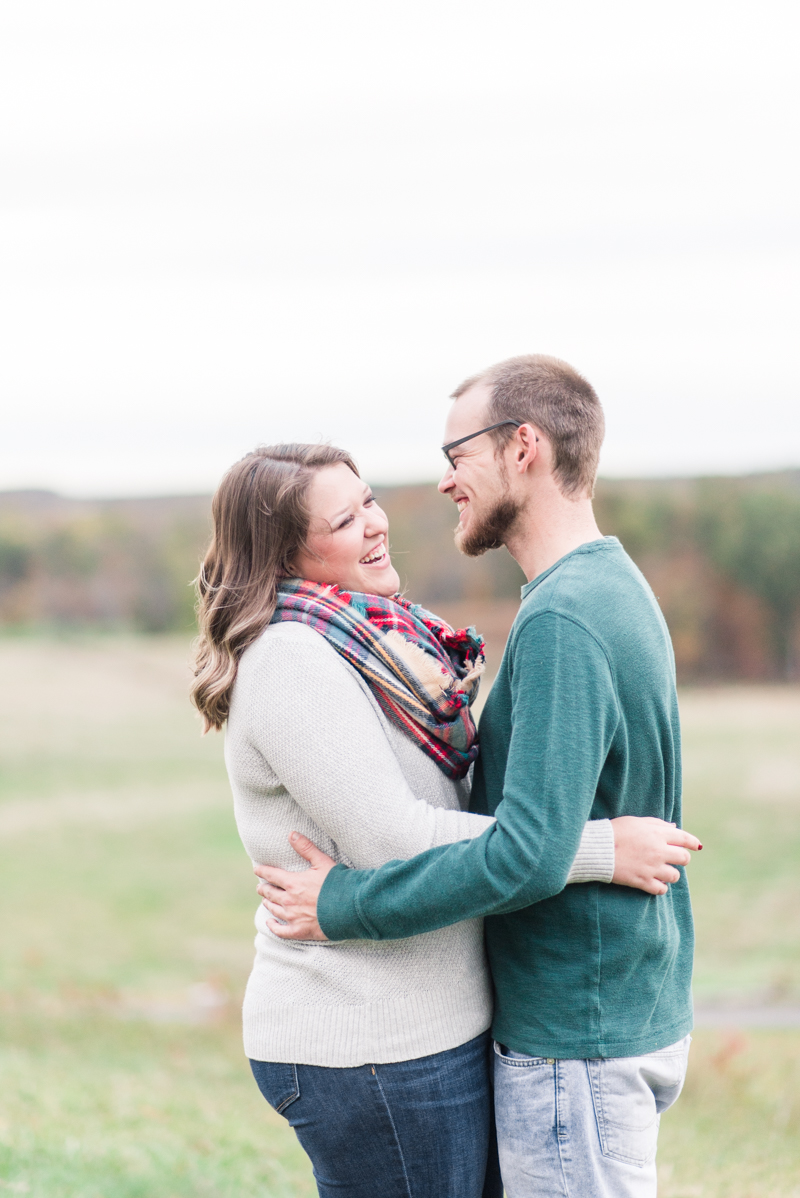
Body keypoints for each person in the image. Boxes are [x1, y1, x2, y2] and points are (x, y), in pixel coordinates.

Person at [256, 355, 698, 1198]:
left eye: (458, 454)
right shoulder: (606, 586)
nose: (446, 481)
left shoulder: (565, 617)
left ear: (522, 447)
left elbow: (529, 854)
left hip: (579, 1029)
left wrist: (342, 903)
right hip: (603, 1012)